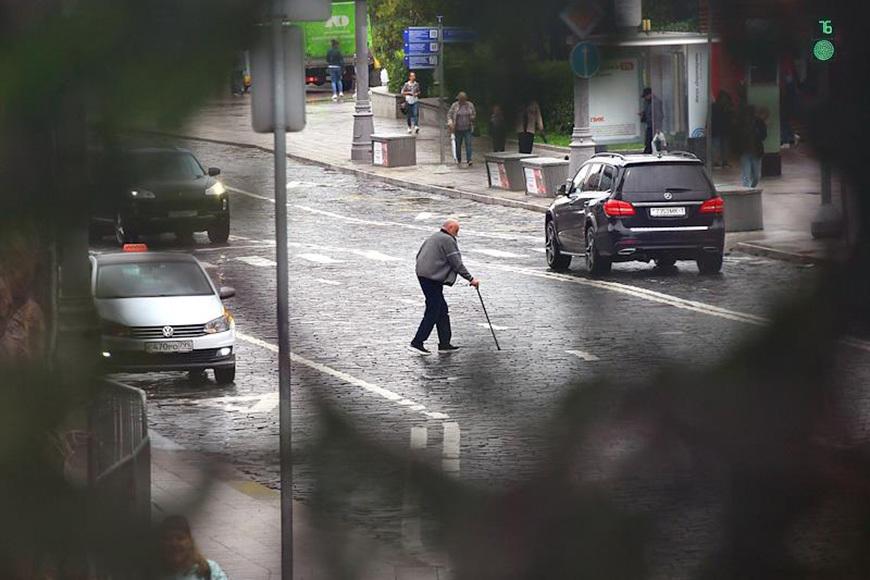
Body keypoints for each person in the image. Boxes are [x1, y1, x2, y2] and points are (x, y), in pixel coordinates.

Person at [410, 219, 480, 356]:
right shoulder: (448, 240)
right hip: (431, 278)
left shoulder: (434, 236)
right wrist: (471, 279)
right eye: (456, 231)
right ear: (450, 228)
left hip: (424, 275)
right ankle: (417, 342)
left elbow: (418, 255)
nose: (456, 234)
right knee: (433, 310)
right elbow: (456, 263)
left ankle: (444, 344)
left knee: (442, 310)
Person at [157, 515, 228, 580]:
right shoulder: (154, 573)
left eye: (180, 538)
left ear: (190, 541)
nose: (174, 544)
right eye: (168, 539)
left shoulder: (209, 570)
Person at [740, 106, 768, 188]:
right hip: (745, 151)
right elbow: (736, 137)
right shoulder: (741, 123)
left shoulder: (759, 122)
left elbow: (764, 135)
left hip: (756, 151)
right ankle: (746, 191)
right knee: (746, 175)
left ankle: (751, 189)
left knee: (756, 176)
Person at [447, 92, 477, 167]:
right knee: (458, 145)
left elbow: (474, 113)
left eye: (463, 99)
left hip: (467, 128)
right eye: (460, 99)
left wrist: (472, 117)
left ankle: (469, 159)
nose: (461, 101)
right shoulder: (455, 105)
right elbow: (449, 114)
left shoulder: (470, 105)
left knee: (468, 144)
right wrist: (450, 121)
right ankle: (459, 159)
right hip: (457, 129)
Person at [711, 90, 733, 167]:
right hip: (718, 130)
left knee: (721, 146)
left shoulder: (717, 107)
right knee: (718, 146)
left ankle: (722, 161)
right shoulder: (716, 107)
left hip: (721, 130)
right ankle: (717, 162)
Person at [640, 87, 664, 154]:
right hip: (649, 124)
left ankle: (649, 152)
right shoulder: (647, 102)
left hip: (654, 125)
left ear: (650, 94)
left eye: (646, 96)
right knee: (648, 140)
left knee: (652, 140)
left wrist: (658, 127)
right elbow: (647, 112)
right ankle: (648, 150)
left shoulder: (656, 102)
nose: (645, 98)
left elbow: (659, 115)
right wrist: (643, 114)